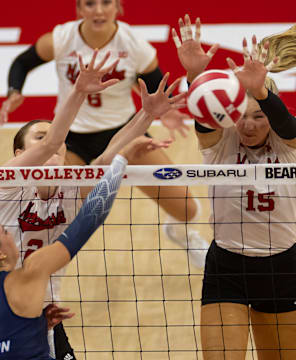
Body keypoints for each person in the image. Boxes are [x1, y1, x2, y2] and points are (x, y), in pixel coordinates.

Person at [0, 49, 186, 360]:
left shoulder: (71, 187)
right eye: (38, 140)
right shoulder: (7, 183)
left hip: (47, 316)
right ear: (18, 154)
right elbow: (55, 138)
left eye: (58, 147)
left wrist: (147, 114)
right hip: (3, 313)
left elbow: (108, 157)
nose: (52, 149)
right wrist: (78, 91)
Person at [0, 0, 210, 270]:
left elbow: (154, 87)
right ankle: (30, 265)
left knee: (188, 210)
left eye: (106, 3)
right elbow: (22, 62)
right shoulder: (62, 38)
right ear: (79, 9)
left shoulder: (133, 44)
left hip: (124, 133)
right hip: (70, 139)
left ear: (118, 8)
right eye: (89, 3)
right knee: (52, 213)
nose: (98, 10)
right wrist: (14, 91)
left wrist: (165, 113)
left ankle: (186, 236)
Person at [173, 15, 296, 359]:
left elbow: (287, 125)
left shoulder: (288, 145)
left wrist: (259, 91)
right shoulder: (221, 143)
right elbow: (205, 113)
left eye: (259, 115)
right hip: (228, 268)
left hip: (284, 267)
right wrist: (196, 76)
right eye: (243, 114)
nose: (250, 124)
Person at [0, 151, 131, 360]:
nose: (10, 234)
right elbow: (89, 218)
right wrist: (120, 163)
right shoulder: (27, 274)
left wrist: (39, 328)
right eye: (4, 231)